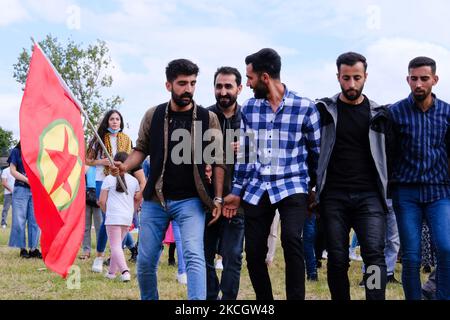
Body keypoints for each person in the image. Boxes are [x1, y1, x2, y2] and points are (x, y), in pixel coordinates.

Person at [114, 58, 225, 300]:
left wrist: (217, 197)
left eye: (193, 83)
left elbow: (218, 161)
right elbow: (140, 149)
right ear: (168, 85)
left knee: (195, 257)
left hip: (192, 201)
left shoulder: (208, 119)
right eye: (182, 83)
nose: (188, 89)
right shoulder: (153, 115)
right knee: (144, 262)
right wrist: (124, 166)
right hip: (155, 199)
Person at [223, 48, 321, 300]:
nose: (247, 83)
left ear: (265, 77)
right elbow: (245, 153)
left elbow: (317, 153)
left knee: (291, 241)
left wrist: (315, 190)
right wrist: (236, 191)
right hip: (258, 186)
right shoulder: (250, 108)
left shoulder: (305, 107)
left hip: (293, 184)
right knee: (254, 251)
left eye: (250, 78)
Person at [314, 52, 390, 300]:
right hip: (334, 196)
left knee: (374, 256)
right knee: (336, 258)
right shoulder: (323, 110)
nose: (351, 84)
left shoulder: (379, 114)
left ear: (365, 77)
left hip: (370, 196)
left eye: (357, 78)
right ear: (338, 77)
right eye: (346, 78)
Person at [389, 56, 450, 300]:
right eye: (414, 79)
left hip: (439, 191)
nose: (418, 84)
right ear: (407, 79)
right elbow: (388, 153)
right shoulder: (395, 112)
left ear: (435, 79)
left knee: (446, 249)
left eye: (424, 79)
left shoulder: (447, 112)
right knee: (412, 256)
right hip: (407, 192)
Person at [204, 66, 245, 300]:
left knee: (233, 256)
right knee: (204, 254)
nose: (223, 91)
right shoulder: (202, 117)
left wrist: (248, 149)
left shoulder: (249, 119)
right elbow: (190, 155)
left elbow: (262, 157)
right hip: (206, 200)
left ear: (239, 88)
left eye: (228, 86)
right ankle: (210, 298)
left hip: (236, 201)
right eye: (219, 86)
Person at [86, 109, 140, 273]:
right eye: (112, 119)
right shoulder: (99, 138)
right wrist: (101, 161)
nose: (115, 122)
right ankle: (100, 256)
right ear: (107, 121)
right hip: (104, 179)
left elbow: (131, 160)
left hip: (122, 180)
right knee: (107, 219)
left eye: (117, 119)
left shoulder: (126, 139)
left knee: (118, 219)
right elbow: (88, 159)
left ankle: (120, 253)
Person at [99, 152, 140, 282]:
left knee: (115, 246)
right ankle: (111, 273)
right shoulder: (134, 180)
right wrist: (132, 212)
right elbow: (138, 199)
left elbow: (101, 201)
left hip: (113, 217)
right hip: (127, 217)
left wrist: (107, 212)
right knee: (117, 246)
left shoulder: (109, 179)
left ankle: (125, 271)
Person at [7, 142, 41, 258]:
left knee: (35, 220)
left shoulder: (38, 152)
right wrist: (27, 180)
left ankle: (34, 248)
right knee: (19, 220)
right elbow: (13, 170)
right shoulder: (16, 151)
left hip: (36, 190)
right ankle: (23, 249)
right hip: (21, 189)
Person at [79, 165, 102, 260]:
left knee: (99, 227)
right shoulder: (85, 166)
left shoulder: (102, 166)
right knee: (85, 226)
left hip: (98, 196)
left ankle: (100, 251)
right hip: (86, 196)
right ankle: (86, 250)